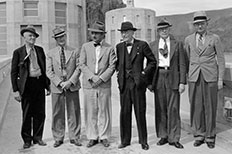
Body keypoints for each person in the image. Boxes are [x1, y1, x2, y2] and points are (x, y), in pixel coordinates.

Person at [184, 11, 225, 149]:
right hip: (194, 77)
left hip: (210, 77)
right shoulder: (188, 40)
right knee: (196, 107)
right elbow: (186, 59)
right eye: (197, 24)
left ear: (207, 24)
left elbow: (220, 59)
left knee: (210, 106)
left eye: (202, 23)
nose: (200, 26)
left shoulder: (215, 38)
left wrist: (220, 79)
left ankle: (210, 136)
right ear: (194, 26)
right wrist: (186, 77)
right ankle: (199, 135)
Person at [116, 21, 156, 150]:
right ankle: (125, 140)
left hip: (138, 85)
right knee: (125, 113)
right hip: (124, 85)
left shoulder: (142, 45)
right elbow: (118, 64)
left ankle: (143, 141)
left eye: (126, 31)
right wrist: (119, 75)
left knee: (140, 112)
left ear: (133, 32)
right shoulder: (119, 47)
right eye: (122, 32)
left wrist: (143, 74)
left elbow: (152, 61)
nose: (124, 34)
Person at [11, 25, 50, 149]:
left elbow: (44, 68)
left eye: (34, 36)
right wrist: (15, 90)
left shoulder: (40, 50)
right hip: (26, 86)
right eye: (30, 36)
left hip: (39, 84)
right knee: (27, 113)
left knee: (40, 112)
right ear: (24, 37)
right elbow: (13, 72)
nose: (32, 38)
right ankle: (27, 139)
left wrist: (47, 85)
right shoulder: (18, 52)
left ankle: (38, 137)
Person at [149, 19, 186, 149]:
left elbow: (182, 64)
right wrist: (149, 83)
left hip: (173, 76)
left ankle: (174, 137)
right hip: (158, 76)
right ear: (158, 31)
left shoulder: (178, 44)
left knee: (174, 108)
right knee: (160, 108)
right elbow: (149, 65)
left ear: (169, 29)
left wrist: (182, 82)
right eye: (161, 29)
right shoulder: (152, 45)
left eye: (166, 28)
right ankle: (163, 135)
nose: (164, 31)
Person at [79, 21, 116, 148]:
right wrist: (92, 77)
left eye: (97, 33)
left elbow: (112, 66)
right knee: (90, 111)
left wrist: (101, 78)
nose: (94, 35)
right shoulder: (85, 46)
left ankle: (104, 136)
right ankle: (92, 136)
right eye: (92, 33)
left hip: (103, 85)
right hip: (89, 84)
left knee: (104, 111)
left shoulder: (109, 48)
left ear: (103, 35)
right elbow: (81, 64)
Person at [46, 27, 82, 148]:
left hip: (72, 86)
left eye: (63, 36)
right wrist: (60, 83)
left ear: (65, 37)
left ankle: (75, 136)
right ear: (55, 39)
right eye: (58, 37)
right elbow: (49, 71)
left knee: (74, 112)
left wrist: (70, 81)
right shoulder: (50, 53)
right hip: (57, 87)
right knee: (57, 112)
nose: (61, 39)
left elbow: (78, 68)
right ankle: (58, 137)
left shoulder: (74, 51)